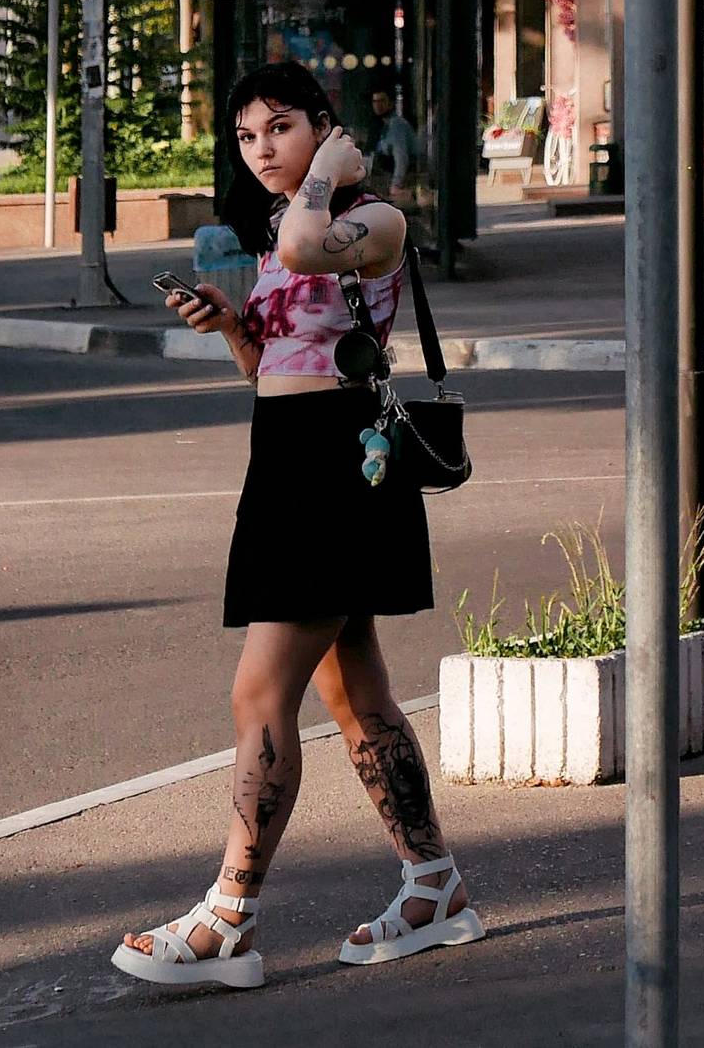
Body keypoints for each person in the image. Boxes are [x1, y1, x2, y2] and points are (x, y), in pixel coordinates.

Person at [111, 59, 482, 991]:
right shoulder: (286, 227)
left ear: (324, 125)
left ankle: (227, 919)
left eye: (279, 127)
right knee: (352, 694)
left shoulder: (372, 220)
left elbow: (316, 248)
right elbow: (273, 364)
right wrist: (231, 328)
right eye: (246, 136)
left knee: (258, 694)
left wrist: (323, 175)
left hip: (341, 463)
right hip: (284, 456)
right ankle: (434, 885)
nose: (261, 150)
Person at [366, 86, 421, 192]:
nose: (378, 105)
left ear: (390, 103)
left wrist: (396, 184)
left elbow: (401, 157)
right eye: (375, 101)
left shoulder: (397, 124)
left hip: (405, 180)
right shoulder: (382, 126)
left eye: (382, 101)